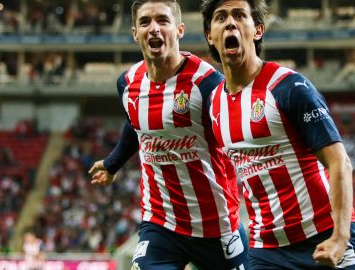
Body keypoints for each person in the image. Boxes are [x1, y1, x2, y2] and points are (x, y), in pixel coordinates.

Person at [201, 0, 355, 269]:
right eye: (221, 17)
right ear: (210, 35)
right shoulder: (213, 104)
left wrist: (340, 239)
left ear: (257, 30)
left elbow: (340, 162)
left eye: (239, 15)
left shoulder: (289, 87)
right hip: (267, 250)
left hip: (323, 236)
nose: (230, 23)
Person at [88, 1, 248, 269]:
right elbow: (135, 125)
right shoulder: (127, 84)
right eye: (145, 22)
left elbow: (238, 135)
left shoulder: (207, 83)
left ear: (179, 30)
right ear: (134, 33)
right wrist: (113, 162)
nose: (154, 28)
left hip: (216, 225)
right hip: (161, 223)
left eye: (162, 20)